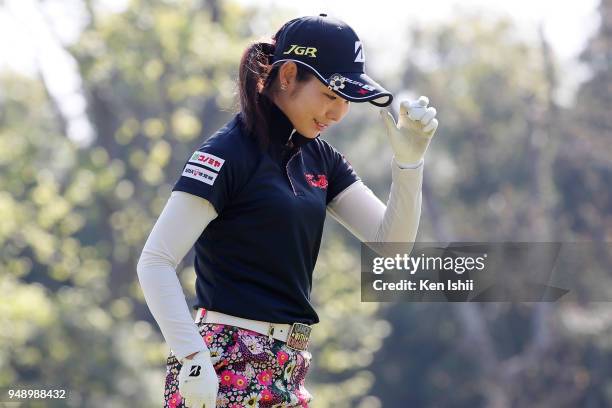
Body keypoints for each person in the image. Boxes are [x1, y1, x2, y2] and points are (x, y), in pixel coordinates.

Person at [137, 13, 438, 408]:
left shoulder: (321, 159)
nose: (338, 113)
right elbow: (155, 261)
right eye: (330, 95)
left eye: (346, 100)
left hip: (288, 367)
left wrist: (409, 166)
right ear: (288, 75)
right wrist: (192, 358)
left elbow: (391, 247)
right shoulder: (227, 153)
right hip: (222, 364)